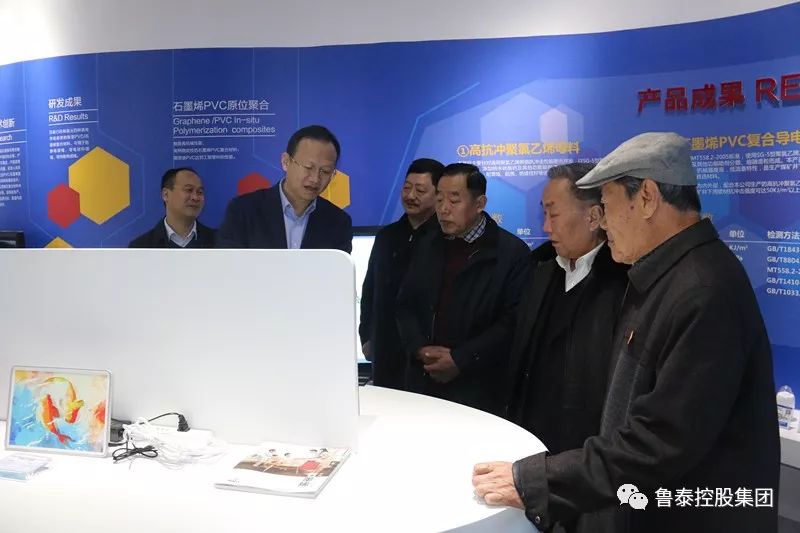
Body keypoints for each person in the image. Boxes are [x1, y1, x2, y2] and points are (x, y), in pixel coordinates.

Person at [473, 132, 779, 533]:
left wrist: (536, 481)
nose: (602, 222)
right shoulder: (661, 277)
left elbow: (660, 441)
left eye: (608, 205)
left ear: (647, 197)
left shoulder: (703, 290)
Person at [504, 163, 628, 460]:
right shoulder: (540, 269)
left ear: (594, 217)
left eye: (554, 214)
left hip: (588, 452)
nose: (546, 227)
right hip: (530, 439)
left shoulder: (624, 282)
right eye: (544, 214)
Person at [396, 163, 529, 414]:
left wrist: (460, 358)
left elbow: (512, 322)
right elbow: (405, 304)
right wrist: (419, 348)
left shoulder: (511, 253)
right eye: (439, 199)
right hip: (423, 382)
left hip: (480, 389)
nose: (443, 209)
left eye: (454, 200)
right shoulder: (426, 244)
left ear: (480, 204)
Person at [359, 158, 444, 388]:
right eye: (407, 188)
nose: (411, 195)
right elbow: (369, 290)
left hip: (426, 355)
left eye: (420, 190)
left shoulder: (445, 239)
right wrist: (366, 335)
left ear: (438, 195)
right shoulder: (386, 237)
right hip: (385, 350)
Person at [216, 125, 352, 252]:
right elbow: (228, 265)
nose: (315, 179)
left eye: (325, 171)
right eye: (308, 167)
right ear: (285, 162)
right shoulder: (243, 211)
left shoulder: (339, 223)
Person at [129, 167, 216, 248]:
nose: (195, 197)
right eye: (189, 190)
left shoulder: (218, 242)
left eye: (200, 192)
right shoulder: (140, 246)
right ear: (166, 195)